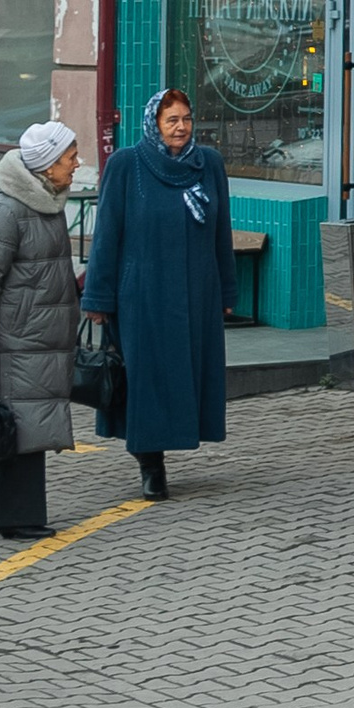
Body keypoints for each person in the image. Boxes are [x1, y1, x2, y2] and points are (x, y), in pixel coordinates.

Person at [83, 89, 235, 502]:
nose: (181, 128)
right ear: (154, 123)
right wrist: (97, 297)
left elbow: (222, 231)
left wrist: (226, 289)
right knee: (146, 380)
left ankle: (179, 439)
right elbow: (107, 235)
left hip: (195, 293)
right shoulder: (127, 165)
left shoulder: (209, 165)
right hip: (142, 296)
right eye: (172, 120)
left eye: (186, 118)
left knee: (188, 374)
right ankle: (151, 465)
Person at [0, 121, 83, 540]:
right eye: (70, 158)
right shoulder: (8, 209)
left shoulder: (47, 202)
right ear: (48, 165)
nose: (77, 164)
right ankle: (14, 515)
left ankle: (9, 505)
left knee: (30, 426)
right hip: (16, 341)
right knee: (22, 427)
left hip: (42, 339)